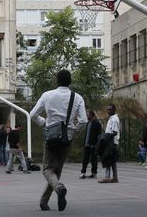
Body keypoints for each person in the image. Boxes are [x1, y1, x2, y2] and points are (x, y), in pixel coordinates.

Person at [30, 70, 87, 212]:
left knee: (47, 169)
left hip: (51, 136)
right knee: (57, 170)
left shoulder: (47, 95)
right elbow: (83, 121)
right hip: (67, 139)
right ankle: (44, 202)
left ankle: (59, 188)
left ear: (56, 80)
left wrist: (44, 123)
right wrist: (74, 132)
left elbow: (33, 114)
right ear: (70, 81)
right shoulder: (77, 97)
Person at [98, 104, 120, 183]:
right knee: (112, 160)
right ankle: (115, 178)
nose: (108, 111)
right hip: (110, 142)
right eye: (107, 109)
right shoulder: (111, 118)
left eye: (110, 109)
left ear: (114, 110)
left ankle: (107, 177)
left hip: (112, 143)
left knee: (107, 159)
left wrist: (106, 136)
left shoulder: (114, 119)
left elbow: (115, 132)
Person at [80, 110, 102, 179]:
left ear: (92, 115)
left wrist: (97, 144)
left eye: (88, 115)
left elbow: (99, 135)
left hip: (93, 145)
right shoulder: (88, 123)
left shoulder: (97, 123)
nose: (87, 116)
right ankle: (83, 172)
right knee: (85, 160)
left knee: (93, 160)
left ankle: (94, 173)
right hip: (87, 145)